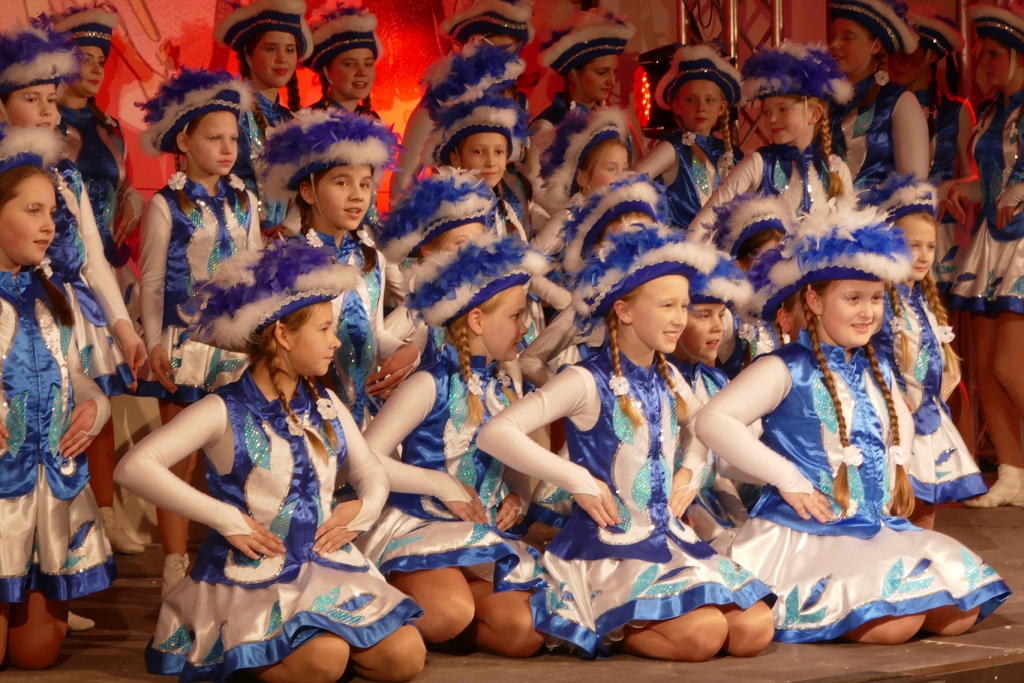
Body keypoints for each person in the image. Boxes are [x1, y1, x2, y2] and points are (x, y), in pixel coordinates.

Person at [114, 241, 426, 683]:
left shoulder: (326, 403)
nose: (336, 341)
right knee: (325, 660)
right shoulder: (224, 409)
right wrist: (224, 518)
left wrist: (367, 506)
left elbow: (370, 470)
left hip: (324, 565)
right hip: (253, 576)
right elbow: (134, 467)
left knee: (406, 656)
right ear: (283, 335)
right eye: (324, 329)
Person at [698, 205, 1011, 643]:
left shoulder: (874, 367)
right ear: (814, 301)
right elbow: (713, 421)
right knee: (897, 623)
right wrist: (788, 478)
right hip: (807, 532)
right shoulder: (786, 367)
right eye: (853, 299)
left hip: (872, 525)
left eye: (876, 299)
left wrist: (897, 470)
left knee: (959, 611)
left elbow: (898, 427)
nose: (867, 312)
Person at [478, 224, 776, 660]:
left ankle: (636, 620)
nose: (679, 318)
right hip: (610, 549)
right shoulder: (585, 380)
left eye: (684, 306)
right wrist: (576, 479)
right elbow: (496, 432)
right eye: (667, 305)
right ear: (624, 311)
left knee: (755, 628)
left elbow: (703, 425)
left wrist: (691, 470)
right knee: (704, 635)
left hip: (669, 537)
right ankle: (608, 623)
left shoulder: (669, 376)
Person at [357, 232, 549, 656]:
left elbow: (513, 464)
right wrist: (442, 485)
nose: (525, 328)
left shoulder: (502, 388)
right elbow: (364, 459)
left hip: (480, 531)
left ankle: (449, 603)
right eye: (516, 316)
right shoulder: (429, 384)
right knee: (449, 614)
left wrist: (518, 495)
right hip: (421, 524)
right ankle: (404, 599)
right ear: (477, 320)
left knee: (524, 631)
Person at [137, 67, 264, 596]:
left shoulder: (244, 200)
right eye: (214, 138)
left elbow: (256, 269)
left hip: (236, 347)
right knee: (180, 457)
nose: (228, 148)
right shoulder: (165, 204)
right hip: (185, 345)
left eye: (233, 138)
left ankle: (232, 553)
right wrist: (152, 344)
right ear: (184, 142)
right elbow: (151, 281)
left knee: (239, 451)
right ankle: (174, 563)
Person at [0, 124, 113, 669]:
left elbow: (77, 373)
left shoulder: (53, 292)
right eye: (32, 211)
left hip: (50, 483)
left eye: (51, 212)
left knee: (37, 656)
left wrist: (95, 405)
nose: (49, 225)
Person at [52, 1, 148, 558]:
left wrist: (129, 208)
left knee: (100, 394)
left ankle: (104, 515)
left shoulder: (110, 130)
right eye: (81, 57)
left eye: (99, 60)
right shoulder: (41, 137)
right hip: (51, 280)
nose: (92, 68)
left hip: (99, 273)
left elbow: (117, 195)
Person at [260, 108, 419, 424]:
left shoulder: (371, 258)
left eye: (365, 184)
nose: (357, 195)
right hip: (310, 414)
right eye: (342, 182)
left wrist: (406, 350)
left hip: (367, 415)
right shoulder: (289, 261)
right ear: (308, 192)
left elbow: (375, 333)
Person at [864, 175, 986, 529]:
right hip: (893, 421)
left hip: (929, 421)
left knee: (926, 507)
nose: (923, 256)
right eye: (912, 245)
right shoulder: (880, 300)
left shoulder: (925, 301)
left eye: (930, 247)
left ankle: (922, 562)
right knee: (896, 508)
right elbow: (866, 355)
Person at [945, 4, 1024, 507]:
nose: (984, 65)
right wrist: (960, 188)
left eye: (994, 54)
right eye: (981, 55)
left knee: (1011, 366)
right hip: (991, 244)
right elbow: (991, 184)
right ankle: (1013, 474)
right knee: (986, 370)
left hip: (1023, 246)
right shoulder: (993, 112)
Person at [693, 42, 853, 231]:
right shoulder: (758, 164)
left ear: (815, 114)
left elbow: (850, 234)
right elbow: (707, 219)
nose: (772, 119)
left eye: (783, 109)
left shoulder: (837, 169)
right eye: (766, 112)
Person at [392, 0, 535, 193]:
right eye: (497, 54)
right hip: (458, 204)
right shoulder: (443, 99)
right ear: (474, 44)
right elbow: (403, 179)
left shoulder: (519, 102)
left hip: (510, 206)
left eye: (512, 55)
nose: (505, 65)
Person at [670, 249, 756, 550]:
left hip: (712, 510)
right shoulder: (652, 385)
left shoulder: (718, 384)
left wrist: (743, 521)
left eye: (721, 315)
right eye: (704, 315)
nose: (718, 326)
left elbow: (718, 472)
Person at [892, 9, 975, 292]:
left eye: (909, 54)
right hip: (896, 224)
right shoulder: (885, 108)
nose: (898, 62)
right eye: (895, 54)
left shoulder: (956, 110)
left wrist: (948, 189)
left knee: (941, 308)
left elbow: (970, 175)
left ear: (930, 56)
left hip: (943, 229)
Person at [214, 0, 313, 232]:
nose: (282, 58)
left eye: (290, 50)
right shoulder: (229, 114)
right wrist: (256, 234)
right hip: (234, 238)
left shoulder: (295, 120)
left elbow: (306, 191)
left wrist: (288, 228)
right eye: (271, 49)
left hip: (286, 243)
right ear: (249, 57)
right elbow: (212, 184)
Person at [377, 167, 495, 357]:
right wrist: (407, 359)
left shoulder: (490, 296)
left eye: (478, 240)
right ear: (430, 253)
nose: (472, 250)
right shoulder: (418, 311)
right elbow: (375, 347)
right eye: (460, 242)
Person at [633, 44, 743, 228]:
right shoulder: (673, 148)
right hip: (683, 244)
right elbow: (629, 181)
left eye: (709, 100)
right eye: (691, 100)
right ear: (677, 106)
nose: (701, 107)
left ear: (722, 108)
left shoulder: (734, 155)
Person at [828, 0, 930, 189]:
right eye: (832, 36)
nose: (834, 44)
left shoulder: (899, 102)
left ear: (875, 46)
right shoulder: (821, 102)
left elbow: (913, 191)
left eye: (848, 37)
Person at [706, 193, 796, 378]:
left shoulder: (787, 312)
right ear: (739, 266)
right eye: (765, 258)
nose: (773, 266)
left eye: (779, 258)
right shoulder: (727, 319)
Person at [531, 9, 635, 133]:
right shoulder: (548, 127)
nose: (612, 81)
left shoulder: (617, 123)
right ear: (572, 75)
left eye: (615, 71)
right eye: (601, 72)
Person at [307, 2, 382, 116]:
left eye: (368, 64)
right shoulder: (307, 122)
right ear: (327, 72)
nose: (362, 73)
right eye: (350, 64)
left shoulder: (375, 121)